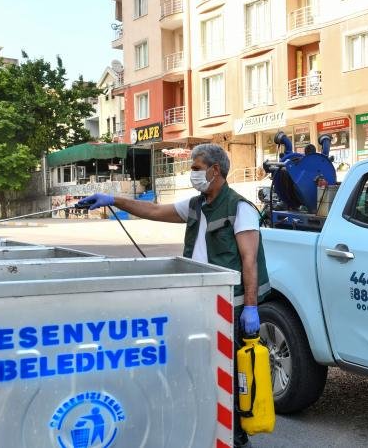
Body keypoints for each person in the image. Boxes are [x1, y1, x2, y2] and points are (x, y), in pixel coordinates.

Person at [78, 143, 269, 448]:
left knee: (230, 374)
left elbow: (249, 261)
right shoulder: (196, 205)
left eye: (196, 168)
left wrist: (250, 307)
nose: (192, 174)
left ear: (215, 170)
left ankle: (234, 436)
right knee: (201, 369)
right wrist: (114, 200)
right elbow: (154, 210)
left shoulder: (239, 208)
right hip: (200, 302)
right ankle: (208, 428)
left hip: (229, 306)